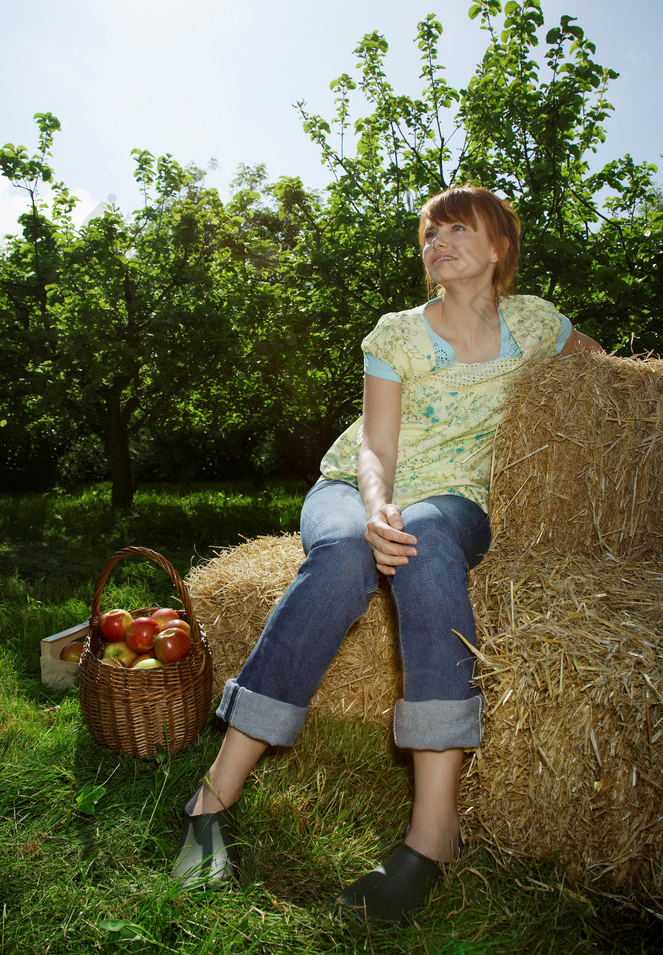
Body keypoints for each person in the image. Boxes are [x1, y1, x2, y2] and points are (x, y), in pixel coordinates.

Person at [170, 185, 602, 921]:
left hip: (454, 501)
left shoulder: (536, 323)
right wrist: (374, 509)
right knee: (342, 554)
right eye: (430, 234)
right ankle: (211, 795)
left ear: (499, 247)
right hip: (356, 487)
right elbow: (375, 445)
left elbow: (610, 374)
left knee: (429, 543)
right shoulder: (397, 333)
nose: (437, 242)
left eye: (456, 229)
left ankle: (432, 834)